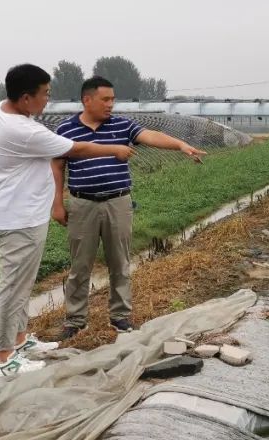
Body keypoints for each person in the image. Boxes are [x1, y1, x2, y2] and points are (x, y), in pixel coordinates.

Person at [0, 64, 135, 379]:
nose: (47, 101)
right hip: (18, 218)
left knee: (22, 285)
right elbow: (76, 149)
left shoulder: (3, 111)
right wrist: (115, 150)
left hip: (23, 214)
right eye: (45, 94)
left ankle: (20, 341)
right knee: (11, 288)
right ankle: (3, 358)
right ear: (26, 98)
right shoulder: (23, 130)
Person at [52, 76, 205, 338]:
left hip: (117, 201)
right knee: (80, 265)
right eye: (105, 99)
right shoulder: (65, 130)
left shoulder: (122, 125)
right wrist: (57, 204)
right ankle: (75, 320)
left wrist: (180, 145)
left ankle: (120, 316)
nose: (111, 104)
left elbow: (150, 135)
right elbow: (57, 166)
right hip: (82, 203)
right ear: (87, 100)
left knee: (119, 262)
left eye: (113, 99)